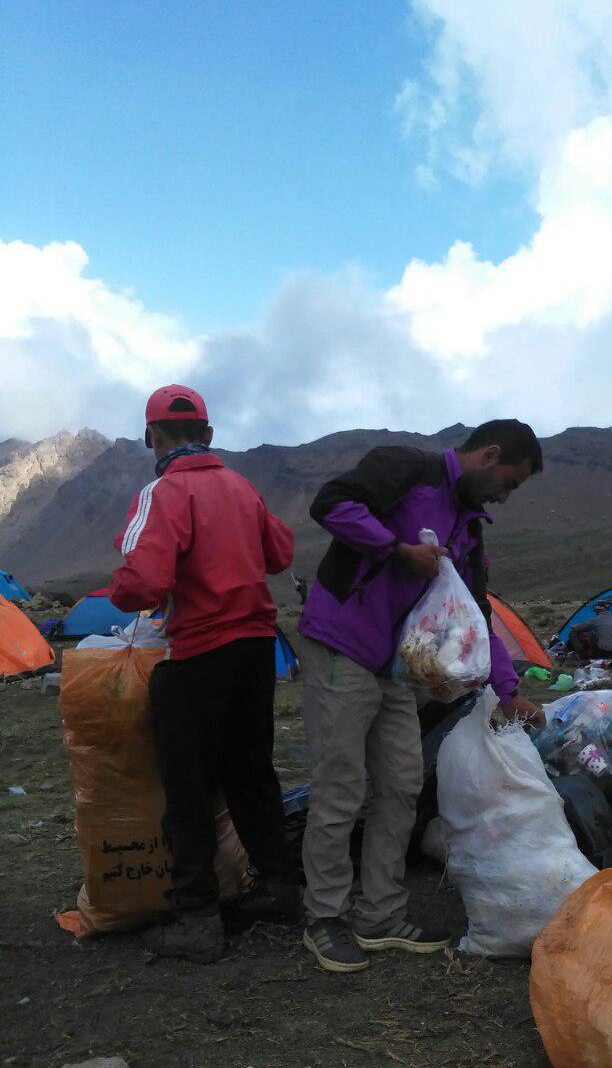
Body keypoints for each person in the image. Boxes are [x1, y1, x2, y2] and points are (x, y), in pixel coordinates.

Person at [298, 419, 544, 973]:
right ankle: (325, 916)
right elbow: (331, 504)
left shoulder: (469, 527)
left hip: (396, 667)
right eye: (509, 482)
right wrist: (396, 549)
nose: (505, 496)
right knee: (340, 784)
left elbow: (475, 614)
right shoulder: (408, 470)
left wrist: (508, 691)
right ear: (490, 455)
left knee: (402, 783)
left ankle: (380, 914)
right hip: (342, 643)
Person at [108, 385, 300, 963]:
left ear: (152, 436)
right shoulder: (240, 485)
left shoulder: (163, 491)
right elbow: (281, 553)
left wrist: (122, 591)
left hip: (197, 654)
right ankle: (279, 886)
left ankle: (197, 918)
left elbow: (143, 581)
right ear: (209, 434)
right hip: (255, 648)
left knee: (187, 784)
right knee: (251, 770)